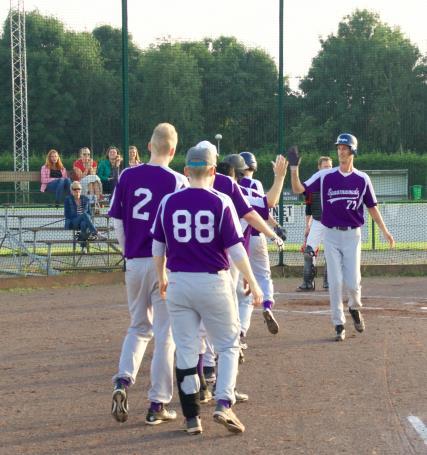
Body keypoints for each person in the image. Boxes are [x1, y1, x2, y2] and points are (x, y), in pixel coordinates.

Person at [151, 144, 263, 435]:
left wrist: (161, 276)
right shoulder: (221, 200)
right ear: (213, 171)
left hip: (178, 283)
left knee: (186, 350)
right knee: (227, 344)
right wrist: (251, 278)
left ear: (186, 171)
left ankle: (191, 418)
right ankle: (224, 403)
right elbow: (236, 249)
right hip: (213, 282)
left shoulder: (168, 202)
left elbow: (157, 246)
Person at [108, 123, 188, 426]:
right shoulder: (177, 181)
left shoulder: (128, 175)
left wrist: (129, 252)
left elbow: (116, 221)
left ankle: (123, 381)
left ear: (149, 145)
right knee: (165, 334)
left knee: (138, 327)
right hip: (164, 265)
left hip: (134, 261)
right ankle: (157, 404)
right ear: (173, 150)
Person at [289, 133, 395, 341]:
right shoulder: (325, 176)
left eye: (345, 148)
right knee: (335, 282)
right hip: (331, 234)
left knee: (353, 282)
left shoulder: (362, 179)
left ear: (353, 151)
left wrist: (385, 231)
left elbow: (372, 207)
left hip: (352, 236)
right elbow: (297, 189)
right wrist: (294, 169)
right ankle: (338, 324)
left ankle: (355, 308)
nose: (340, 151)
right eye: (339, 148)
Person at [238, 151, 288, 336]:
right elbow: (264, 208)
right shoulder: (255, 184)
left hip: (238, 240)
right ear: (254, 166)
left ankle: (240, 328)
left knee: (242, 283)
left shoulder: (232, 185)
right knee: (263, 275)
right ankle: (267, 305)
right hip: (257, 235)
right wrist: (276, 228)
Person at [297, 156, 333, 291]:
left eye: (330, 167)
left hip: (332, 223)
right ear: (319, 168)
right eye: (325, 167)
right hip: (317, 222)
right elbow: (309, 207)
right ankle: (308, 283)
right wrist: (308, 225)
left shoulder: (336, 182)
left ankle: (329, 282)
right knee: (308, 252)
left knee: (331, 252)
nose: (328, 169)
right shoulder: (313, 184)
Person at [64, 181, 98, 253]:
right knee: (84, 215)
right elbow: (67, 214)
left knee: (84, 224)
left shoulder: (85, 199)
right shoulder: (68, 199)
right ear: (71, 190)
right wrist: (80, 217)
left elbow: (89, 213)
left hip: (83, 222)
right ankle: (95, 232)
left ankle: (83, 248)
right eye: (75, 189)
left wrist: (83, 217)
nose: (77, 191)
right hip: (73, 222)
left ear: (81, 190)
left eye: (79, 189)